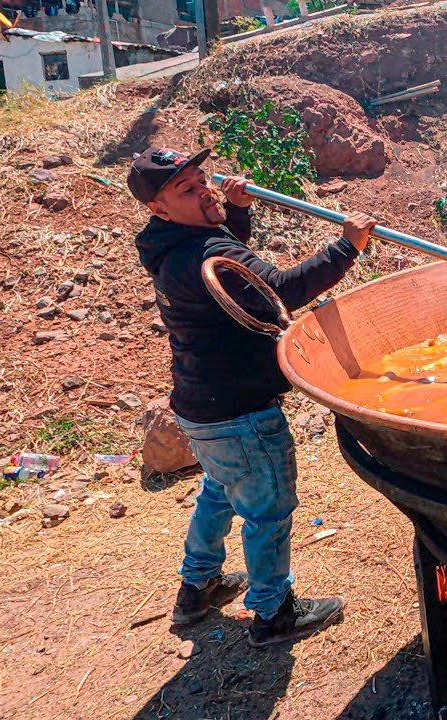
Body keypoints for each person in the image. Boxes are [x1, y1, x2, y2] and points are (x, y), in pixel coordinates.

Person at [129, 147, 375, 647]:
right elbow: (280, 288)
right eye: (188, 190)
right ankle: (273, 611)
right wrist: (346, 248)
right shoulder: (202, 253)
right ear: (159, 207)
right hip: (240, 412)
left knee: (219, 490)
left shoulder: (171, 245)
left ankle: (197, 588)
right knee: (267, 509)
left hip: (201, 408)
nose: (206, 192)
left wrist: (235, 212)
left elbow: (228, 272)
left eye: (203, 180)